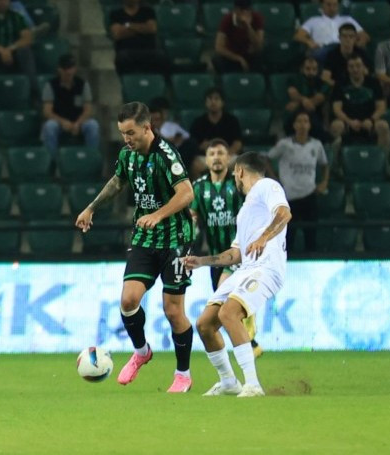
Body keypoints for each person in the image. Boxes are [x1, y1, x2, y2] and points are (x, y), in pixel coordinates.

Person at [75, 102, 196, 393]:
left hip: (176, 239)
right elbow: (118, 182)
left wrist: (157, 214)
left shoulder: (166, 155)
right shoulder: (127, 155)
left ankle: (183, 374)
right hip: (144, 237)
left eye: (131, 132)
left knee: (173, 310)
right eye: (122, 133)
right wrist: (91, 208)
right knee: (128, 301)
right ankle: (142, 352)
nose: (126, 139)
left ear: (147, 127)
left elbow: (187, 193)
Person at [184, 151, 292, 398]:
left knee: (229, 312)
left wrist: (264, 237)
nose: (235, 179)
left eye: (235, 175)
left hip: (266, 269)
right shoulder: (246, 210)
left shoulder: (267, 186)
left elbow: (284, 214)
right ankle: (228, 382)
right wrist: (202, 261)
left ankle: (252, 384)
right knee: (205, 324)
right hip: (245, 269)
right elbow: (236, 254)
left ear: (240, 171)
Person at [189, 139, 262, 358]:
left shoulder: (237, 185)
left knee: (225, 297)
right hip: (215, 257)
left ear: (229, 158)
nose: (217, 157)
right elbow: (193, 218)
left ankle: (248, 340)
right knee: (221, 305)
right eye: (212, 153)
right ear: (206, 159)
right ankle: (249, 340)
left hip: (238, 252)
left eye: (221, 153)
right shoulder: (199, 187)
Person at [267, 111, 329, 252]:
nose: (302, 125)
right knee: (288, 237)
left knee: (311, 236)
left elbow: (325, 164)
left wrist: (324, 182)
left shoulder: (316, 145)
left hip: (309, 194)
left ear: (310, 125)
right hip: (289, 197)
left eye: (305, 121)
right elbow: (266, 158)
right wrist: (275, 179)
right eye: (299, 121)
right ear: (294, 125)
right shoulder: (284, 144)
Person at [41, 54, 100, 160]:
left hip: (78, 121)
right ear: (59, 69)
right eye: (65, 68)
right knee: (49, 126)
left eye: (70, 68)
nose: (68, 72)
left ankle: (92, 159)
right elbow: (47, 111)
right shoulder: (51, 85)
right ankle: (52, 162)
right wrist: (63, 122)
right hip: (59, 121)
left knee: (93, 125)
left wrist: (78, 123)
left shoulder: (82, 84)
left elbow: (88, 109)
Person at [330, 54, 390, 152]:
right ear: (347, 68)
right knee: (336, 126)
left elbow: (381, 107)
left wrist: (371, 120)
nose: (355, 69)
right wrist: (349, 121)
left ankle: (384, 161)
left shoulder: (373, 83)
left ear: (364, 67)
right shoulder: (340, 83)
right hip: (347, 123)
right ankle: (335, 163)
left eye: (358, 66)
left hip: (370, 122)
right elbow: (337, 109)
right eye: (351, 66)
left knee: (383, 126)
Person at [186, 88, 242, 178]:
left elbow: (238, 143)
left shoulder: (232, 120)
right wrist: (202, 146)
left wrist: (228, 153)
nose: (213, 102)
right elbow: (193, 144)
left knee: (240, 163)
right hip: (206, 157)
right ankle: (198, 191)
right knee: (195, 165)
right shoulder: (198, 122)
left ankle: (236, 191)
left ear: (222, 102)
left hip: (228, 156)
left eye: (216, 99)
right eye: (210, 99)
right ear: (205, 103)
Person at [0, 0, 36, 81]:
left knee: (25, 50)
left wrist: (10, 49)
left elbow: (27, 39)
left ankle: (33, 88)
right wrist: (1, 50)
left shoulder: (18, 15)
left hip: (13, 51)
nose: (1, 2)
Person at [294, 0, 369, 64]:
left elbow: (364, 36)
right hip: (324, 49)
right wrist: (309, 42)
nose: (332, 8)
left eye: (334, 5)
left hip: (344, 48)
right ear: (322, 6)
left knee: (359, 54)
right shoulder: (313, 20)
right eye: (328, 5)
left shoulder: (347, 19)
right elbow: (298, 35)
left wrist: (356, 45)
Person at [109, 0, 168, 74]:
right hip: (126, 51)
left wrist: (129, 26)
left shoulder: (148, 11)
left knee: (161, 56)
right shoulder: (116, 14)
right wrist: (143, 29)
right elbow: (117, 34)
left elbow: (152, 29)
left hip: (149, 50)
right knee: (122, 58)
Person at [213, 0, 265, 74]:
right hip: (232, 55)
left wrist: (248, 26)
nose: (245, 14)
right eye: (241, 11)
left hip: (249, 54)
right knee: (218, 61)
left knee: (261, 59)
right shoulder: (227, 19)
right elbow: (219, 47)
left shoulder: (257, 18)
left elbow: (259, 46)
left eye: (247, 10)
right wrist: (239, 58)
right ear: (235, 10)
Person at [285, 56, 330, 140]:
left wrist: (299, 102)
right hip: (296, 113)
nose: (311, 72)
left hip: (314, 114)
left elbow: (318, 99)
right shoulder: (293, 79)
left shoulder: (323, 83)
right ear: (302, 69)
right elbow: (292, 93)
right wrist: (304, 100)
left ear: (317, 70)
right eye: (308, 69)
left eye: (314, 69)